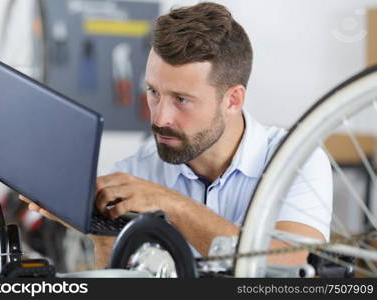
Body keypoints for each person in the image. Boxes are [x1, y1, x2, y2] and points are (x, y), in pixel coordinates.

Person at [21, 2, 332, 269]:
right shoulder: (136, 171)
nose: (160, 117)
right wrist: (99, 230)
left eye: (181, 99)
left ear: (233, 100)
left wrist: (170, 204)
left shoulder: (298, 159)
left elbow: (291, 268)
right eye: (153, 92)